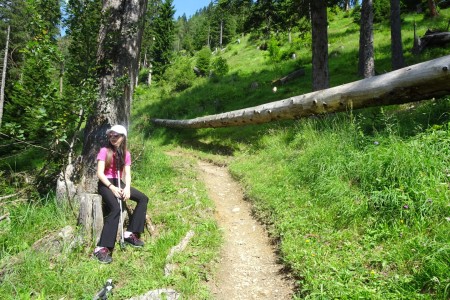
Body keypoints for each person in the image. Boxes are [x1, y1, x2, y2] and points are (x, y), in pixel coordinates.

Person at [93, 125, 149, 264]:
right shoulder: (104, 151)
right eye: (111, 135)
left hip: (120, 182)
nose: (112, 137)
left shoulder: (125, 154)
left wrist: (128, 188)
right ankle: (102, 247)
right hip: (106, 183)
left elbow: (127, 173)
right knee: (116, 209)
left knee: (143, 198)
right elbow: (99, 173)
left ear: (123, 138)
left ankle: (130, 233)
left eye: (116, 135)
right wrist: (112, 187)